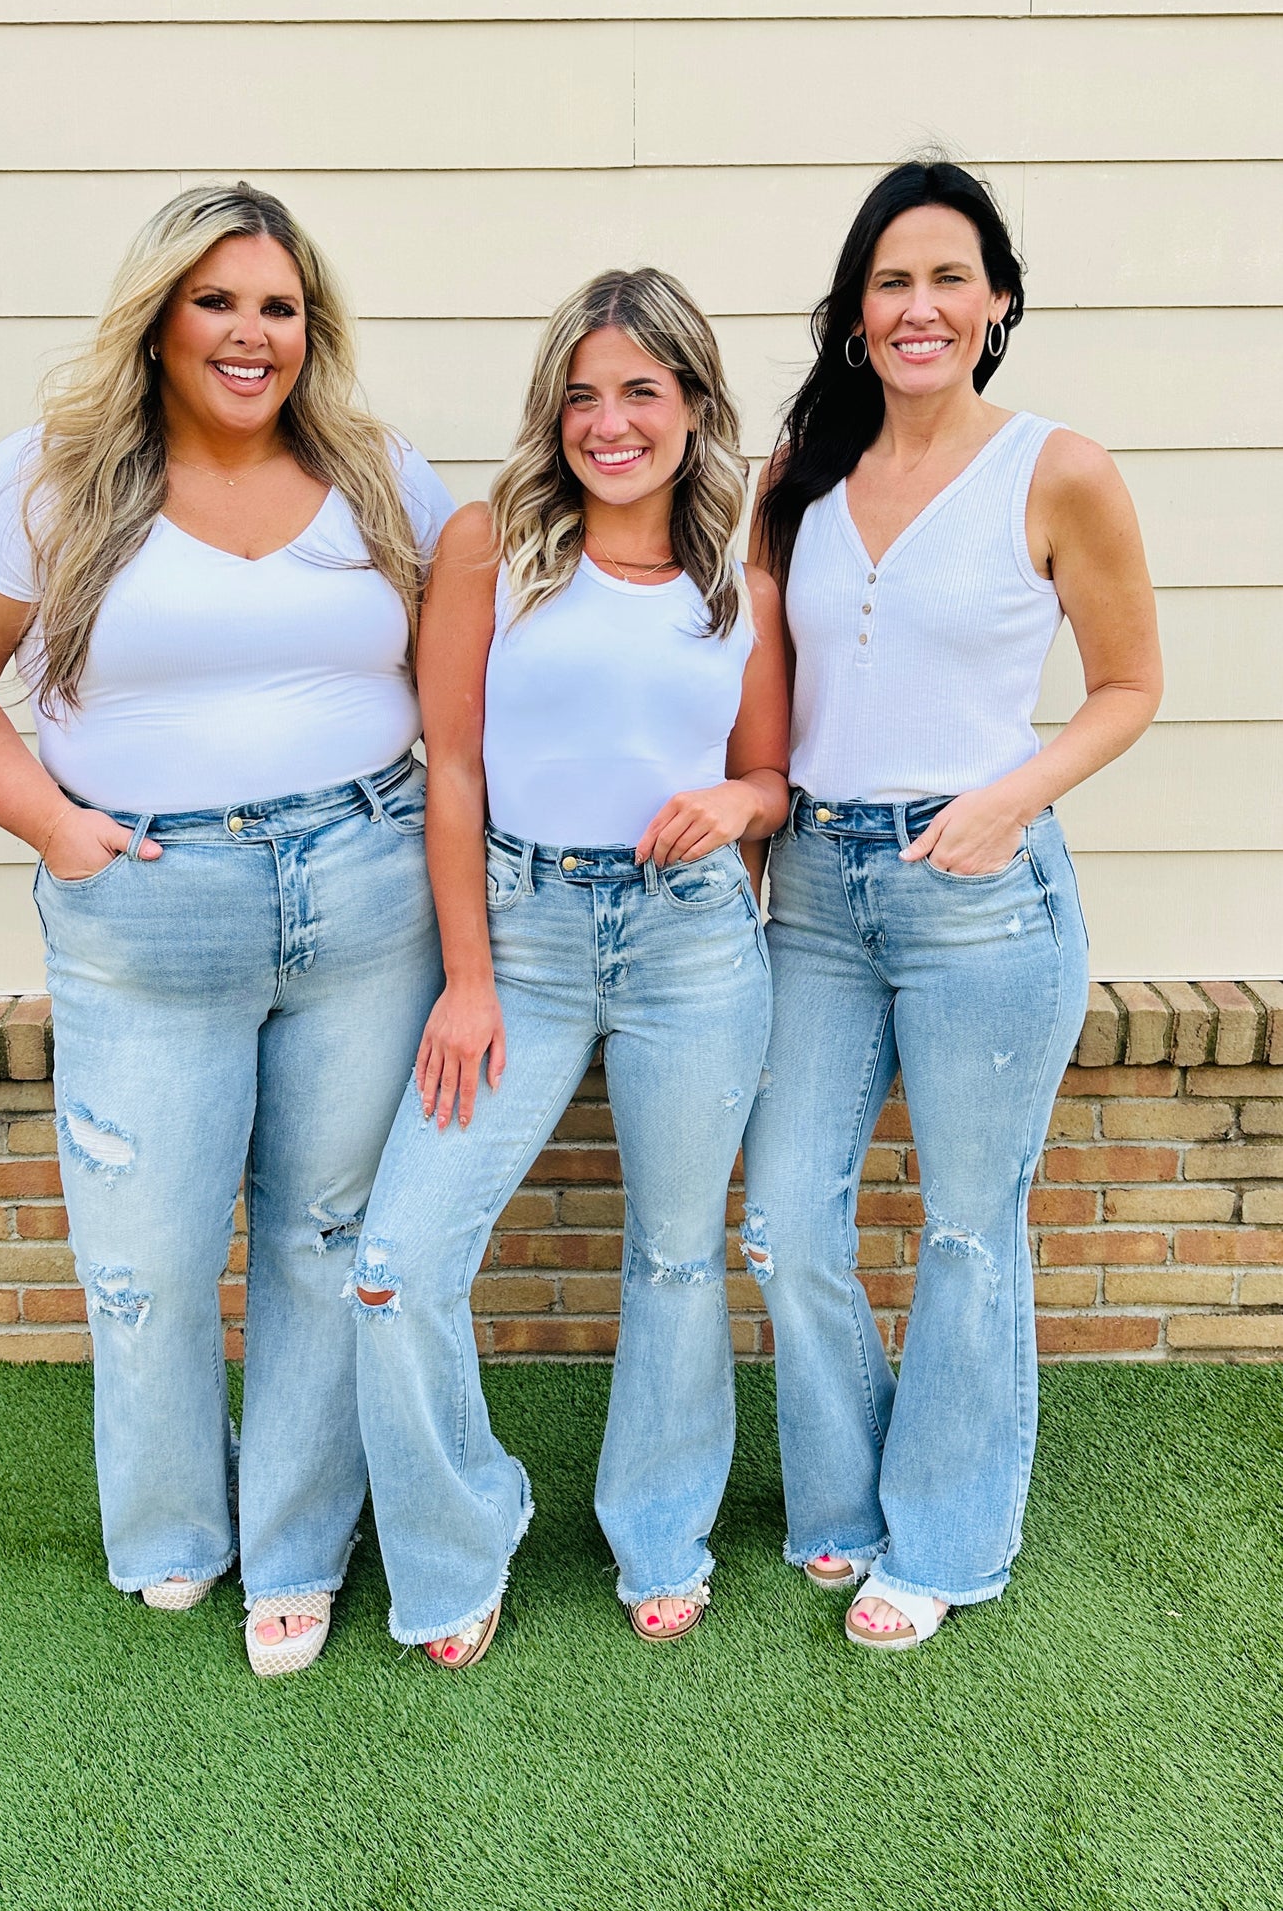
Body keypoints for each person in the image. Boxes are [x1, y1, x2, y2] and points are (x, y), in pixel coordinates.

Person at [0, 182, 455, 1676]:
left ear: (311, 328)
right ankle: (173, 1534)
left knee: (326, 1237)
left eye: (279, 306)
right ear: (158, 319)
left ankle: (300, 1546)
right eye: (217, 302)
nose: (250, 335)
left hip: (365, 894)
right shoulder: (52, 478)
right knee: (146, 1256)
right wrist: (55, 825)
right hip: (149, 911)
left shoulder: (380, 475)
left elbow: (479, 655)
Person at [743, 159, 1162, 1650]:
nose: (919, 307)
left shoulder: (1058, 470)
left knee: (970, 1231)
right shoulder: (799, 477)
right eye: (891, 282)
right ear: (856, 313)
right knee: (786, 1220)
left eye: (948, 279)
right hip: (816, 896)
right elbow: (772, 708)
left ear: (996, 304)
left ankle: (944, 1541)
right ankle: (846, 1498)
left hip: (979, 893)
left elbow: (1129, 686)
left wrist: (1008, 798)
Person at [350, 267, 789, 1667]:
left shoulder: (738, 580)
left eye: (642, 391)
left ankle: (661, 1533)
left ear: (694, 405)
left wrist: (734, 804)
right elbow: (455, 770)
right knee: (398, 1262)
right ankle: (458, 1541)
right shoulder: (494, 545)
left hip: (693, 944)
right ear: (553, 412)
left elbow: (770, 778)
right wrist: (467, 978)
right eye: (583, 395)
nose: (610, 423)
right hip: (523, 943)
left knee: (675, 1257)